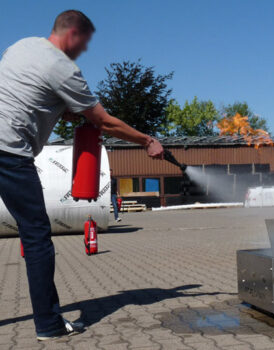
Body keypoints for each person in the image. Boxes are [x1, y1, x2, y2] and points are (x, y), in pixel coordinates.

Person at [0, 10, 163, 341]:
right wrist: (147, 140)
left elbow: (27, 94)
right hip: (9, 152)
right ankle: (48, 325)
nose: (84, 51)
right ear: (72, 34)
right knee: (35, 236)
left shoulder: (21, 46)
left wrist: (65, 108)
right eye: (84, 43)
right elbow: (104, 121)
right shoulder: (64, 68)